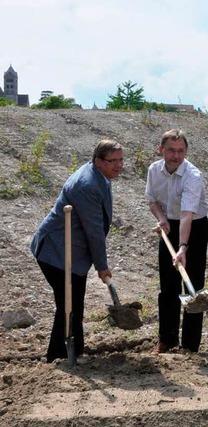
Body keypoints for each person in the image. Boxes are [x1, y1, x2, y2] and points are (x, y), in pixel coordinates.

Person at [31, 139, 124, 362]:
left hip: (70, 250)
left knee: (73, 303)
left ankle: (74, 351)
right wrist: (102, 267)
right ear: (98, 161)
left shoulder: (98, 175)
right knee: (69, 304)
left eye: (121, 160)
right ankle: (60, 355)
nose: (119, 165)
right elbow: (94, 232)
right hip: (57, 251)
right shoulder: (87, 185)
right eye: (114, 161)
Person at [146, 129, 208, 353]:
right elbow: (152, 200)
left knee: (193, 286)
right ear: (161, 149)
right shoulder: (154, 170)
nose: (176, 156)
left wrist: (183, 247)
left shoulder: (193, 176)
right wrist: (162, 219)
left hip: (195, 227)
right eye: (171, 150)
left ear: (186, 151)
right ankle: (167, 339)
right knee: (168, 286)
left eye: (181, 151)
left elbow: (187, 214)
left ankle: (190, 345)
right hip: (170, 226)